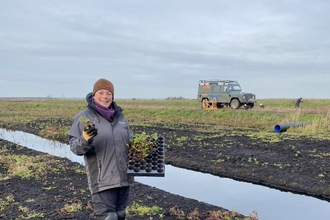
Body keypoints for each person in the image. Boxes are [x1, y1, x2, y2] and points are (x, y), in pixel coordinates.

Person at [69, 78, 134, 220]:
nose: (105, 96)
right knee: (108, 217)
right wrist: (84, 139)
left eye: (109, 93)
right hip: (102, 177)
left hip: (123, 176)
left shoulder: (120, 117)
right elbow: (75, 147)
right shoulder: (84, 117)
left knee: (120, 214)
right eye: (101, 92)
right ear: (94, 95)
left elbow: (129, 141)